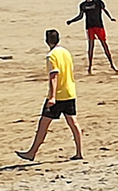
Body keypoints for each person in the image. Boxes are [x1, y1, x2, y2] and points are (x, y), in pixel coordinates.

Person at [16, 29, 82, 162]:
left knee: (43, 124)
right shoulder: (66, 52)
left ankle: (32, 152)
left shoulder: (51, 56)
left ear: (47, 41)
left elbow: (54, 76)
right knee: (73, 123)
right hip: (70, 92)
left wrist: (52, 97)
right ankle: (79, 152)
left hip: (58, 96)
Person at [66, 0, 118, 73]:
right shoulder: (83, 5)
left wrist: (110, 18)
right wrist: (71, 21)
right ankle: (90, 67)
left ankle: (112, 64)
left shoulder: (98, 2)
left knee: (105, 45)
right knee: (90, 47)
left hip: (99, 26)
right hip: (89, 27)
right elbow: (80, 16)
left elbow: (104, 10)